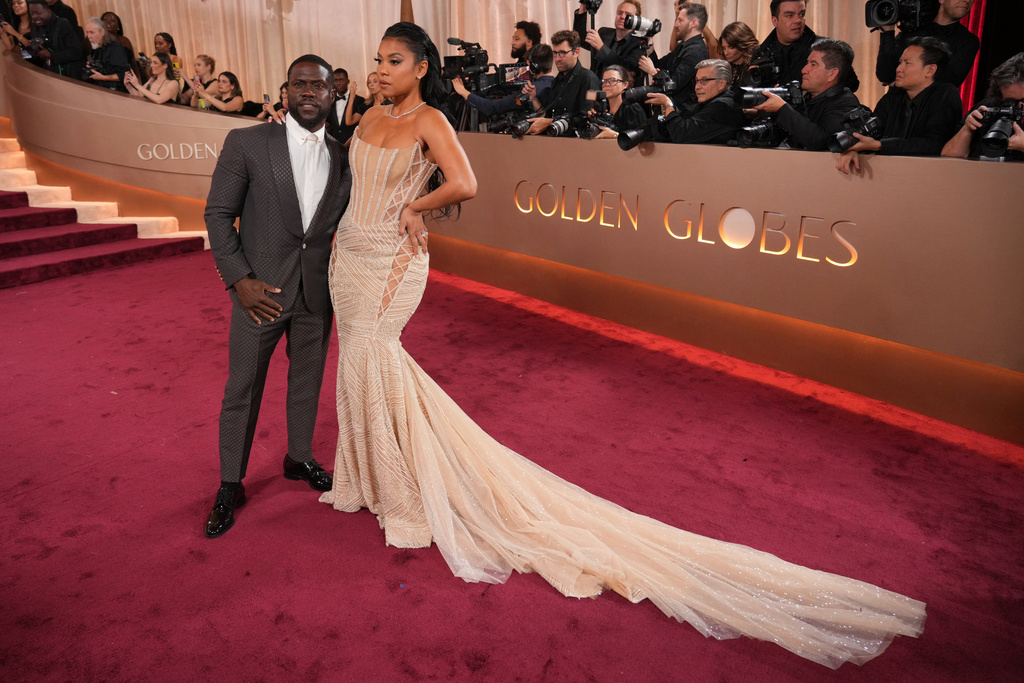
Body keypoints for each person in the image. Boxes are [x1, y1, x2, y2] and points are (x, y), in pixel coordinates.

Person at [318, 21, 925, 669]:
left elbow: (464, 182)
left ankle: (404, 489)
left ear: (420, 67)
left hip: (391, 261)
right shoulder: (368, 116)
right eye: (378, 59)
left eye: (393, 61)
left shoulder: (431, 117)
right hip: (348, 253)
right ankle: (369, 475)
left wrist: (417, 208)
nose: (380, 69)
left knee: (374, 351)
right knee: (357, 356)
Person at [203, 54, 352, 539]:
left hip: (316, 292)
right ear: (285, 91)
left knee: (306, 382)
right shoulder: (247, 142)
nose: (309, 92)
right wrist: (238, 279)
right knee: (242, 387)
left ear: (334, 94)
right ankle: (230, 482)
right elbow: (218, 215)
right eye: (299, 84)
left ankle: (299, 458)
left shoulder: (346, 153)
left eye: (319, 86)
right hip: (258, 293)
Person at [837, 37, 962, 174]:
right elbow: (872, 131)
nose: (898, 69)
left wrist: (879, 145)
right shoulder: (892, 97)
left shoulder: (945, 94)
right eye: (900, 62)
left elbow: (935, 144)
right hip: (887, 174)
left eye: (907, 63)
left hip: (928, 175)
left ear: (930, 70)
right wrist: (855, 150)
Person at [751, 38, 863, 150]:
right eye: (807, 63)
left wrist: (782, 108)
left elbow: (820, 141)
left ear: (832, 74)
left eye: (813, 64)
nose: (804, 70)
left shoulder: (845, 102)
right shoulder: (805, 96)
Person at [749, 0, 860, 92]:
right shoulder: (761, 52)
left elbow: (852, 83)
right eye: (790, 15)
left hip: (815, 116)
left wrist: (814, 95)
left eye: (801, 14)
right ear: (775, 20)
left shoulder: (825, 49)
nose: (798, 20)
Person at [875, 0, 979, 88]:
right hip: (894, 107)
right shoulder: (913, 28)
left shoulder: (968, 41)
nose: (967, 1)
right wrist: (888, 32)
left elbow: (947, 83)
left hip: (931, 109)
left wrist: (900, 83)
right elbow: (885, 74)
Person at [942, 52, 1024, 160]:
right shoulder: (988, 107)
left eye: (1018, 101)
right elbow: (949, 158)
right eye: (1007, 101)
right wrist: (967, 130)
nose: (1011, 107)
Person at [645, 59, 746, 144]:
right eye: (697, 81)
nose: (697, 87)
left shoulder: (723, 106)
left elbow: (681, 133)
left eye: (704, 81)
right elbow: (683, 120)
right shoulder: (709, 102)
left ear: (722, 83)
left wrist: (667, 104)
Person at [523, 29, 602, 135]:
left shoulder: (588, 79)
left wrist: (550, 122)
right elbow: (547, 116)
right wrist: (534, 99)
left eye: (562, 53)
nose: (557, 59)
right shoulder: (557, 81)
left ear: (576, 52)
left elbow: (587, 119)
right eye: (555, 53)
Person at [638, 2, 708, 115]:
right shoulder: (683, 46)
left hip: (682, 115)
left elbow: (673, 84)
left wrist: (652, 71)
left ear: (693, 23)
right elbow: (659, 64)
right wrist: (649, 45)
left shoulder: (696, 52)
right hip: (670, 112)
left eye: (680, 20)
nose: (676, 24)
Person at [453, 44, 554, 120]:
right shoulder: (556, 84)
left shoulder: (528, 90)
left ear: (533, 66)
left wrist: (463, 91)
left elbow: (491, 108)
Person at [572, 0, 644, 84]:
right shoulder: (604, 33)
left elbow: (627, 66)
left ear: (636, 20)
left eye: (628, 15)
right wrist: (583, 7)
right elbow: (580, 39)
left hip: (621, 94)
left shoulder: (640, 42)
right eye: (620, 13)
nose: (622, 17)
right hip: (597, 88)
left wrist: (601, 47)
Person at [25, 0, 82, 78]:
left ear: (49, 11)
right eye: (32, 14)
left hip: (68, 75)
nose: (34, 17)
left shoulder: (63, 25)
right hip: (48, 73)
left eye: (38, 13)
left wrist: (51, 55)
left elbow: (76, 52)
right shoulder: (35, 26)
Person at [593, 64, 647, 138]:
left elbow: (640, 141)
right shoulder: (603, 110)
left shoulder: (632, 110)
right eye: (604, 81)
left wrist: (614, 135)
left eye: (612, 80)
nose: (607, 84)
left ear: (625, 84)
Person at [81, 16, 128, 92]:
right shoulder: (96, 48)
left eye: (92, 32)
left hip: (117, 92)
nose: (89, 36)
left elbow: (124, 74)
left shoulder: (115, 48)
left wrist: (103, 77)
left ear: (102, 32)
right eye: (87, 32)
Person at [718, 21, 758, 87]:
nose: (726, 53)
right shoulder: (723, 68)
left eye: (731, 47)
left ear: (742, 44)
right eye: (724, 48)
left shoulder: (753, 67)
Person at [100, 11, 137, 77]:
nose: (108, 22)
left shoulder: (125, 41)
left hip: (123, 78)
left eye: (112, 21)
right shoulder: (95, 40)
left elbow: (133, 64)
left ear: (118, 26)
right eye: (105, 20)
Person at [326, 68, 355, 143]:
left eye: (341, 80)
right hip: (334, 145)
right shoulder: (329, 101)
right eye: (336, 80)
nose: (338, 83)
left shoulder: (359, 100)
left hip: (352, 144)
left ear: (348, 81)